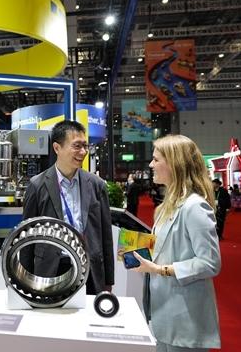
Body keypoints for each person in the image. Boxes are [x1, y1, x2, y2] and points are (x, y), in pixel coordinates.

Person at [132, 134, 221, 351]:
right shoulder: (167, 206)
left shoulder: (194, 206)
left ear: (174, 164)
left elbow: (210, 263)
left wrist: (161, 269)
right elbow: (166, 246)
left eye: (156, 159)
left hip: (184, 319)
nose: (151, 165)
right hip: (162, 314)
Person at [22, 120, 114, 294]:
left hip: (89, 270)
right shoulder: (37, 185)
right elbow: (27, 236)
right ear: (57, 148)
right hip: (51, 270)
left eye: (85, 146)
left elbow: (105, 236)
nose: (83, 152)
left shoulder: (96, 185)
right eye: (77, 146)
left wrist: (108, 281)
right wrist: (25, 280)